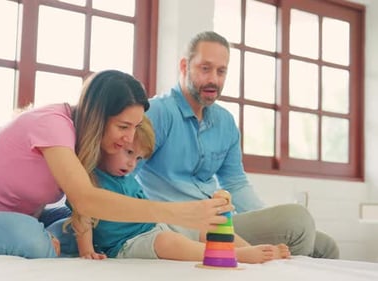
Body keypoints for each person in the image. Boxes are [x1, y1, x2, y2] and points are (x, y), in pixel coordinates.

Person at [0, 69, 233, 259]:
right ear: (99, 115)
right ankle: (42, 242)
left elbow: (90, 206)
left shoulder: (83, 142)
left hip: (24, 216)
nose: (129, 139)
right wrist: (179, 211)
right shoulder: (53, 125)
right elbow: (88, 199)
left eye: (134, 128)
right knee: (33, 240)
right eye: (123, 127)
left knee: (103, 227)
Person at [135, 31, 340, 259]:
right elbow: (125, 176)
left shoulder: (225, 122)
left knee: (325, 244)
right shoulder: (158, 112)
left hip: (219, 222)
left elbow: (236, 183)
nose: (214, 79)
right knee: (298, 220)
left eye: (221, 71)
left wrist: (268, 218)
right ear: (184, 66)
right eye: (205, 68)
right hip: (182, 225)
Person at [75, 115, 290, 263]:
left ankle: (251, 250)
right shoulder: (89, 178)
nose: (132, 164)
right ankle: (238, 256)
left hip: (154, 229)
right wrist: (87, 251)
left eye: (138, 158)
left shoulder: (128, 178)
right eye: (129, 153)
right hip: (124, 245)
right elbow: (81, 214)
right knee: (169, 242)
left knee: (206, 228)